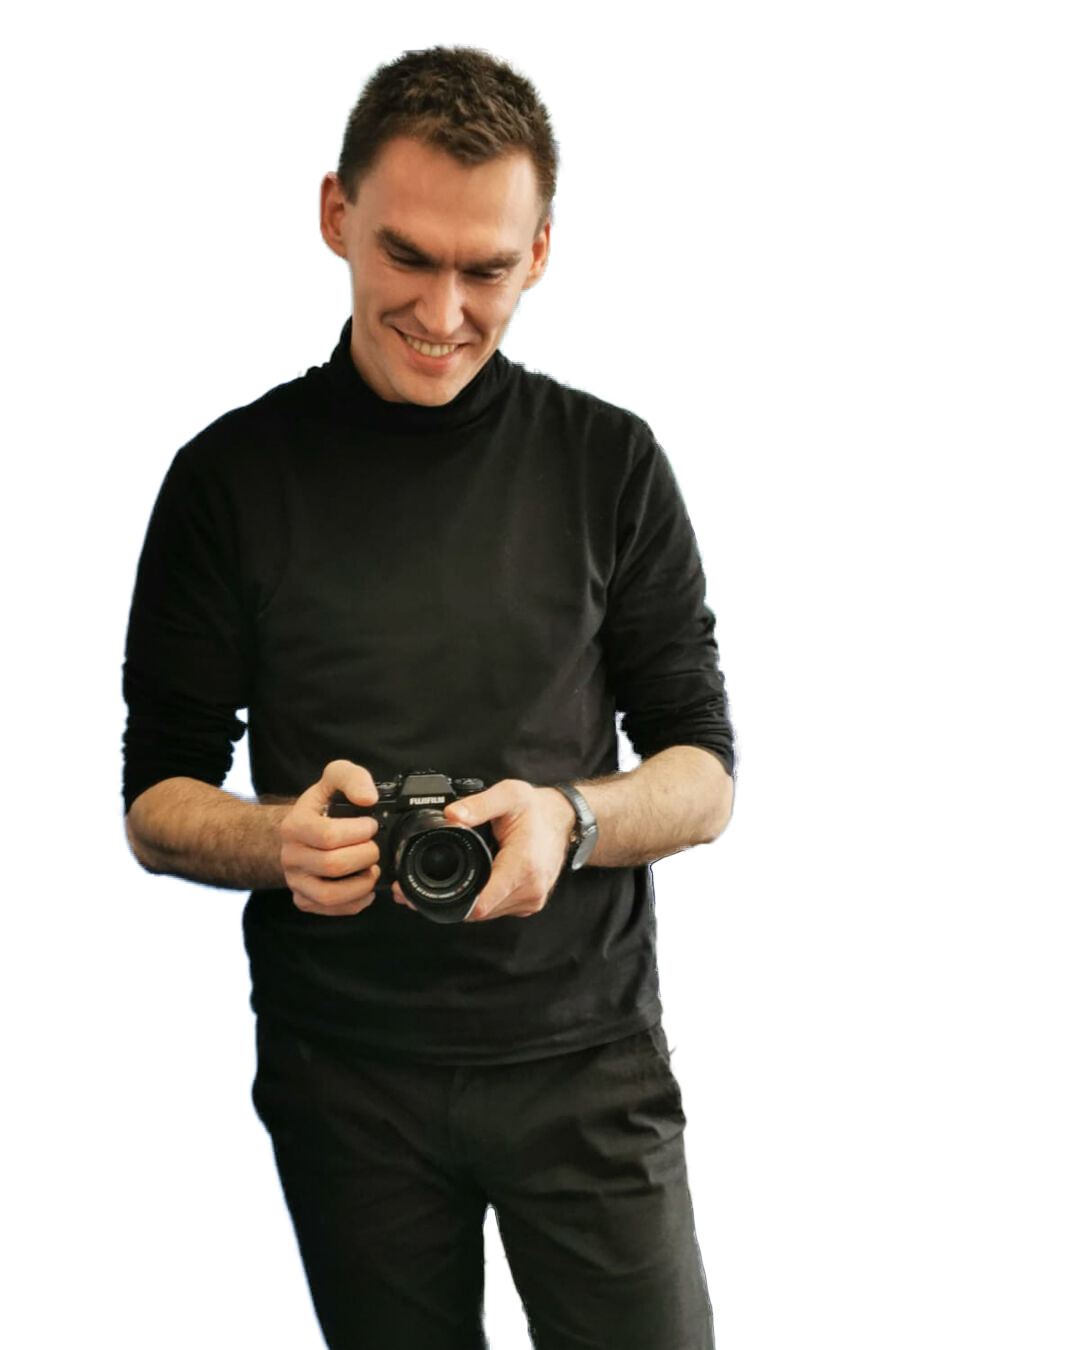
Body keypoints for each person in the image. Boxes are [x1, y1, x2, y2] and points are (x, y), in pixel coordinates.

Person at [121, 44, 733, 1350]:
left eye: (486, 270)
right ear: (337, 214)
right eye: (407, 256)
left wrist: (569, 819)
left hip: (585, 1054)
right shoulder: (224, 482)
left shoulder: (612, 463)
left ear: (540, 254)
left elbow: (702, 773)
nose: (445, 311)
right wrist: (277, 844)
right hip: (343, 1072)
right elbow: (156, 799)